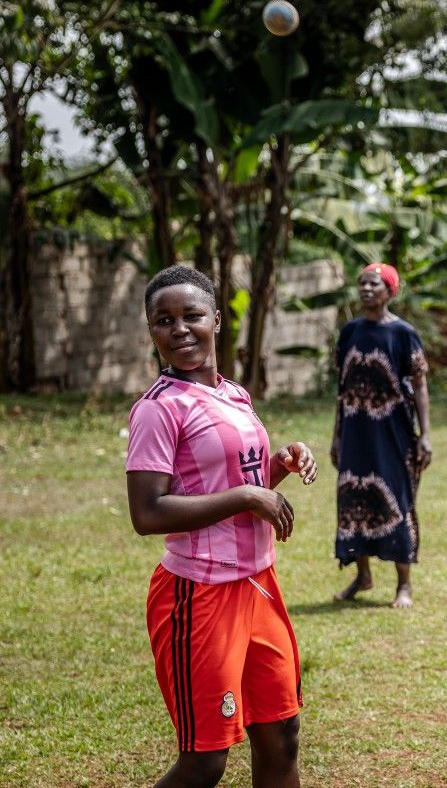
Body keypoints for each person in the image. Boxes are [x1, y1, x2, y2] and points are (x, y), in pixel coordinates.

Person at [126, 265, 317, 788]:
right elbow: (148, 512)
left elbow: (229, 478)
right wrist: (249, 495)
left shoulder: (234, 394)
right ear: (152, 332)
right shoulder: (159, 410)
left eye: (192, 315)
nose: (180, 328)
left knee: (282, 736)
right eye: (164, 320)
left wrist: (278, 465)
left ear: (216, 320)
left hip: (257, 586)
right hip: (198, 594)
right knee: (205, 761)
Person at [330, 263, 432, 609]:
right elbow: (342, 390)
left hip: (394, 434)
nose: (366, 289)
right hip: (355, 432)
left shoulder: (403, 334)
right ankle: (362, 575)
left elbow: (420, 387)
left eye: (374, 284)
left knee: (397, 500)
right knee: (353, 498)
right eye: (361, 283)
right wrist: (336, 436)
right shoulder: (349, 332)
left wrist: (425, 435)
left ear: (390, 290)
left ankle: (404, 584)